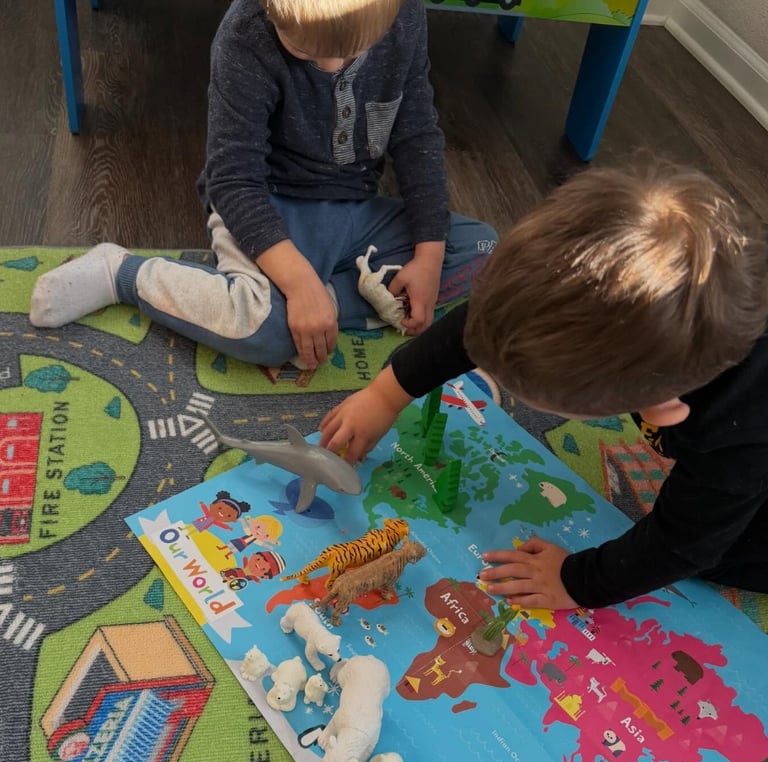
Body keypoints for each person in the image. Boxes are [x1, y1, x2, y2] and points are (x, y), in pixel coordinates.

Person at [319, 160, 768, 610]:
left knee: (725, 550)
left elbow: (682, 545)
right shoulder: (650, 330)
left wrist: (578, 582)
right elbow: (488, 324)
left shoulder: (736, 433)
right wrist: (388, 392)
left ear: (662, 408)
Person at [30, 0, 497, 370]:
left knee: (487, 250)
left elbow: (417, 135)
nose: (332, 66)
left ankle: (325, 302)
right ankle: (122, 274)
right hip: (269, 206)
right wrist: (297, 282)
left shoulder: (405, 14)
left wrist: (429, 257)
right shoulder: (245, 36)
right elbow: (233, 180)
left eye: (354, 50)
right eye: (307, 51)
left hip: (354, 207)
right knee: (266, 332)